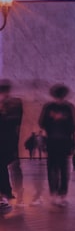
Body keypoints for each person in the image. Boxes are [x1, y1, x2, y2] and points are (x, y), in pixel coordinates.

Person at [38, 83, 75, 207]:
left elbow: (41, 123)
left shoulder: (49, 107)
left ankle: (56, 194)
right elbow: (73, 126)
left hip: (54, 142)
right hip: (62, 142)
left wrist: (54, 119)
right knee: (61, 169)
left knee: (54, 168)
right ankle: (60, 194)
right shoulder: (69, 108)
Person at [0, 80, 24, 212]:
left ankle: (7, 193)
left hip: (7, 142)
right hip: (7, 141)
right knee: (2, 166)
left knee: (4, 166)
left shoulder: (14, 104)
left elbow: (15, 122)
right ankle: (6, 193)